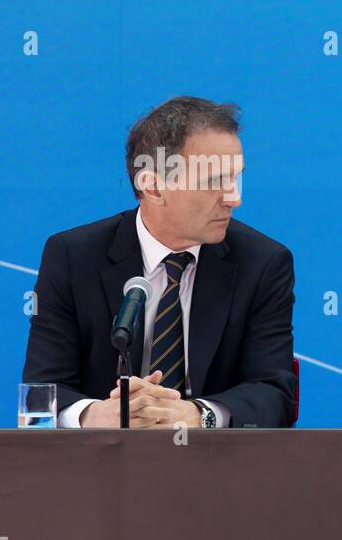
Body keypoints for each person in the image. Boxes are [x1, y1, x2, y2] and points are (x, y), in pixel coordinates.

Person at [22, 96, 297, 429]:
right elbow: (37, 402)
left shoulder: (263, 262)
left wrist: (199, 415)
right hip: (100, 469)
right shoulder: (72, 256)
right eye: (213, 181)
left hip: (215, 470)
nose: (235, 198)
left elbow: (274, 394)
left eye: (236, 178)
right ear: (153, 186)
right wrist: (93, 415)